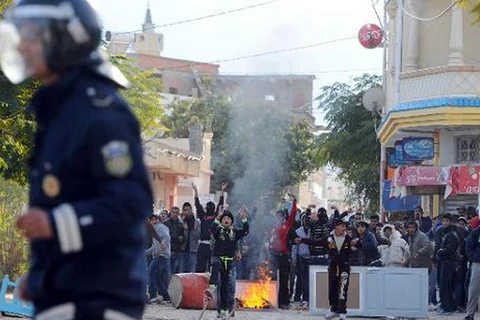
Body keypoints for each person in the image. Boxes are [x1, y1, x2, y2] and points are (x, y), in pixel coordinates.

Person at [7, 1, 153, 319]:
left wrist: (56, 223)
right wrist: (43, 274)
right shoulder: (60, 112)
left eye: (31, 34)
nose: (21, 44)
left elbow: (131, 203)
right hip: (66, 295)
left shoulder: (100, 113)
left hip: (99, 300)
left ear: (65, 39)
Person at [298, 219, 359, 320]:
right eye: (342, 226)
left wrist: (356, 242)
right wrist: (303, 240)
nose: (344, 228)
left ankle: (342, 312)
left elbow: (359, 244)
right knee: (332, 288)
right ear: (336, 227)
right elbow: (315, 242)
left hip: (344, 266)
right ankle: (333, 310)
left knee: (343, 289)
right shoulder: (329, 239)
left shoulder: (349, 238)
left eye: (345, 226)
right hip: (333, 266)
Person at [207, 207, 249, 319]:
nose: (226, 220)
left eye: (228, 219)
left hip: (229, 261)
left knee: (226, 287)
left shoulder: (234, 232)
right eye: (224, 219)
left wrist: (244, 218)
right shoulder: (218, 231)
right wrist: (217, 218)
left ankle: (224, 310)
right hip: (218, 257)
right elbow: (212, 229)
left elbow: (245, 231)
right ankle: (211, 286)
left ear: (232, 221)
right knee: (216, 265)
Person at [269, 194, 298, 309]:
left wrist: (294, 201)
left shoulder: (287, 225)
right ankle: (272, 300)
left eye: (281, 216)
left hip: (284, 256)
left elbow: (293, 213)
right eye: (277, 216)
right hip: (273, 256)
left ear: (284, 218)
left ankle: (284, 302)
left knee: (285, 279)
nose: (279, 218)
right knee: (272, 278)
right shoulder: (272, 227)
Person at [193, 182, 226, 273]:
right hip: (203, 245)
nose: (209, 208)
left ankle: (212, 284)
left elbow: (220, 203)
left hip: (213, 245)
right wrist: (195, 190)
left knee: (213, 267)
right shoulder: (203, 216)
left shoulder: (217, 217)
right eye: (208, 207)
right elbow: (197, 204)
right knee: (200, 268)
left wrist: (222, 190)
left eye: (211, 207)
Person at [434, 214, 460, 316]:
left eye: (447, 221)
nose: (444, 223)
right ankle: (451, 306)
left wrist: (440, 252)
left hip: (449, 262)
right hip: (445, 262)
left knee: (444, 285)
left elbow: (450, 249)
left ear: (451, 222)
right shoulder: (445, 232)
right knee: (446, 285)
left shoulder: (452, 234)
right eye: (443, 221)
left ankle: (446, 307)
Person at [145, 212, 171, 303]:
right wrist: (144, 253)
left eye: (153, 220)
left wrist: (161, 248)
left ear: (156, 220)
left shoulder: (159, 227)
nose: (152, 222)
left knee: (150, 273)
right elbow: (153, 247)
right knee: (158, 277)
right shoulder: (156, 229)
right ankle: (166, 295)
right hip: (161, 255)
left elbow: (166, 238)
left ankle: (153, 295)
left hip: (161, 256)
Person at [291, 213, 311, 308]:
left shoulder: (312, 230)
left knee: (309, 279)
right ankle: (301, 298)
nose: (306, 222)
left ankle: (309, 298)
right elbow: (295, 246)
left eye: (307, 220)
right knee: (302, 279)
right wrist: (294, 257)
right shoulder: (298, 231)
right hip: (301, 258)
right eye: (304, 220)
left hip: (311, 258)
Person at [464, 225, 480, 320]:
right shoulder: (475, 232)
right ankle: (470, 314)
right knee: (473, 289)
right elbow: (469, 248)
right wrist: (475, 258)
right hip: (477, 263)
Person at [164, 206, 186, 274]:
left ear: (178, 214)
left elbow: (183, 237)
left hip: (177, 250)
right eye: (173, 212)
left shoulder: (180, 224)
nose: (174, 214)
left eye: (176, 213)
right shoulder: (165, 224)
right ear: (170, 213)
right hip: (167, 251)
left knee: (175, 272)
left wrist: (181, 239)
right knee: (167, 272)